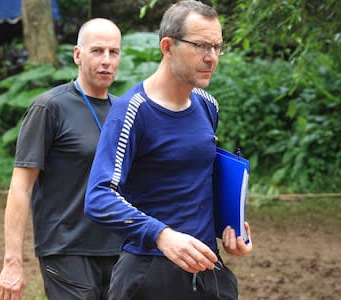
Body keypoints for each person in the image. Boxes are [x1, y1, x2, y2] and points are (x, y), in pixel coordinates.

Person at [84, 1, 253, 299]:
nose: (211, 57)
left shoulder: (207, 104)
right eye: (201, 46)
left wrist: (232, 226)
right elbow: (99, 197)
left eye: (217, 47)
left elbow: (196, 180)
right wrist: (162, 236)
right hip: (149, 273)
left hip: (207, 269)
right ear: (167, 46)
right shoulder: (133, 110)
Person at [0, 18, 123, 300]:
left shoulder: (123, 111)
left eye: (113, 52)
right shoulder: (49, 108)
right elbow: (20, 187)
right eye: (97, 51)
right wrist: (12, 263)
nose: (106, 60)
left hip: (120, 251)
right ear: (78, 55)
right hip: (66, 250)